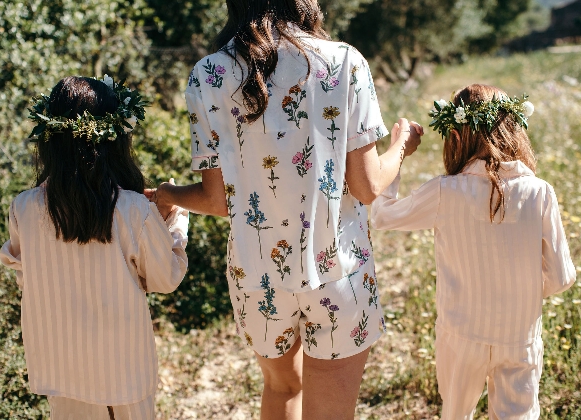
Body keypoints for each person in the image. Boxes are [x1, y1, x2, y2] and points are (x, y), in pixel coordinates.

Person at [148, 1, 422, 418]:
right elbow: (366, 188)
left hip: (256, 280)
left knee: (281, 388)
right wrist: (401, 145)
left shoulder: (208, 75)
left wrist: (169, 193)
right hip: (337, 272)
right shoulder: (343, 62)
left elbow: (218, 201)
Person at [371, 84, 576, 419]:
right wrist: (519, 294)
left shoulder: (445, 192)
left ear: (455, 135)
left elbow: (381, 216)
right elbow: (561, 276)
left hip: (461, 334)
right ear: (512, 127)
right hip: (518, 335)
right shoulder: (539, 193)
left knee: (455, 414)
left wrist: (398, 151)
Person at [0, 76, 189, 420]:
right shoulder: (133, 210)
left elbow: (28, 281)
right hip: (124, 369)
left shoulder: (24, 208)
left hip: (61, 369)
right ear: (114, 140)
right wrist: (172, 221)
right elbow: (165, 278)